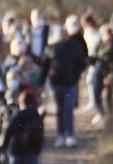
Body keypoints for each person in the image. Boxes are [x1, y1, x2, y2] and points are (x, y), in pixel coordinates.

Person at [41, 19, 87, 147]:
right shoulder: (50, 48)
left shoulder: (75, 47)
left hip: (70, 84)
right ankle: (60, 135)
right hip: (57, 84)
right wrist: (42, 83)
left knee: (68, 109)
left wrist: (76, 75)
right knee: (60, 110)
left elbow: (82, 63)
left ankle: (70, 135)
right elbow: (45, 67)